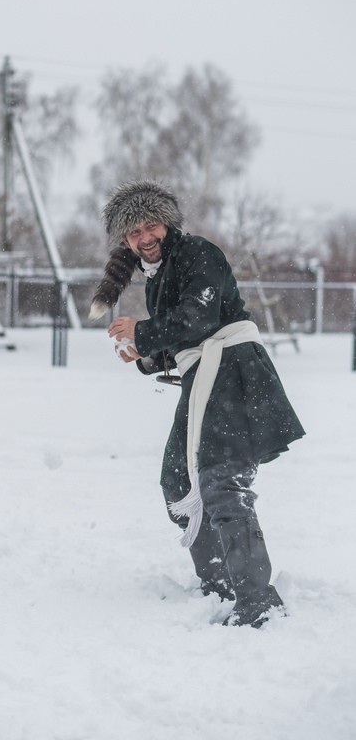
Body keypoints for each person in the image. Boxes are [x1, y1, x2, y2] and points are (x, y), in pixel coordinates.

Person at [89, 180, 305, 628]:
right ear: (126, 241)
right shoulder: (159, 274)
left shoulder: (198, 253)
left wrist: (142, 331)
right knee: (176, 482)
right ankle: (219, 586)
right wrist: (143, 354)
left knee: (222, 484)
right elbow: (183, 340)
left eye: (151, 225)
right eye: (134, 233)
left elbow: (200, 318)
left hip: (234, 372)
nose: (145, 237)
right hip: (204, 378)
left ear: (167, 223)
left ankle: (257, 601)